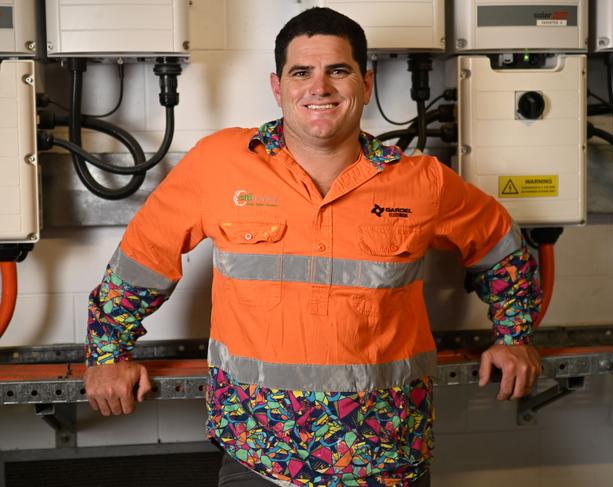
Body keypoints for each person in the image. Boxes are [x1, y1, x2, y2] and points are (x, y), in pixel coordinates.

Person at [84, 7, 542, 486]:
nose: (319, 87)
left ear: (365, 84)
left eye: (337, 71)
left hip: (386, 458)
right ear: (278, 86)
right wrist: (107, 354)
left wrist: (514, 338)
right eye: (301, 72)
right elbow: (143, 257)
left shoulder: (421, 181)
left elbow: (501, 248)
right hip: (258, 454)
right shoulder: (218, 164)